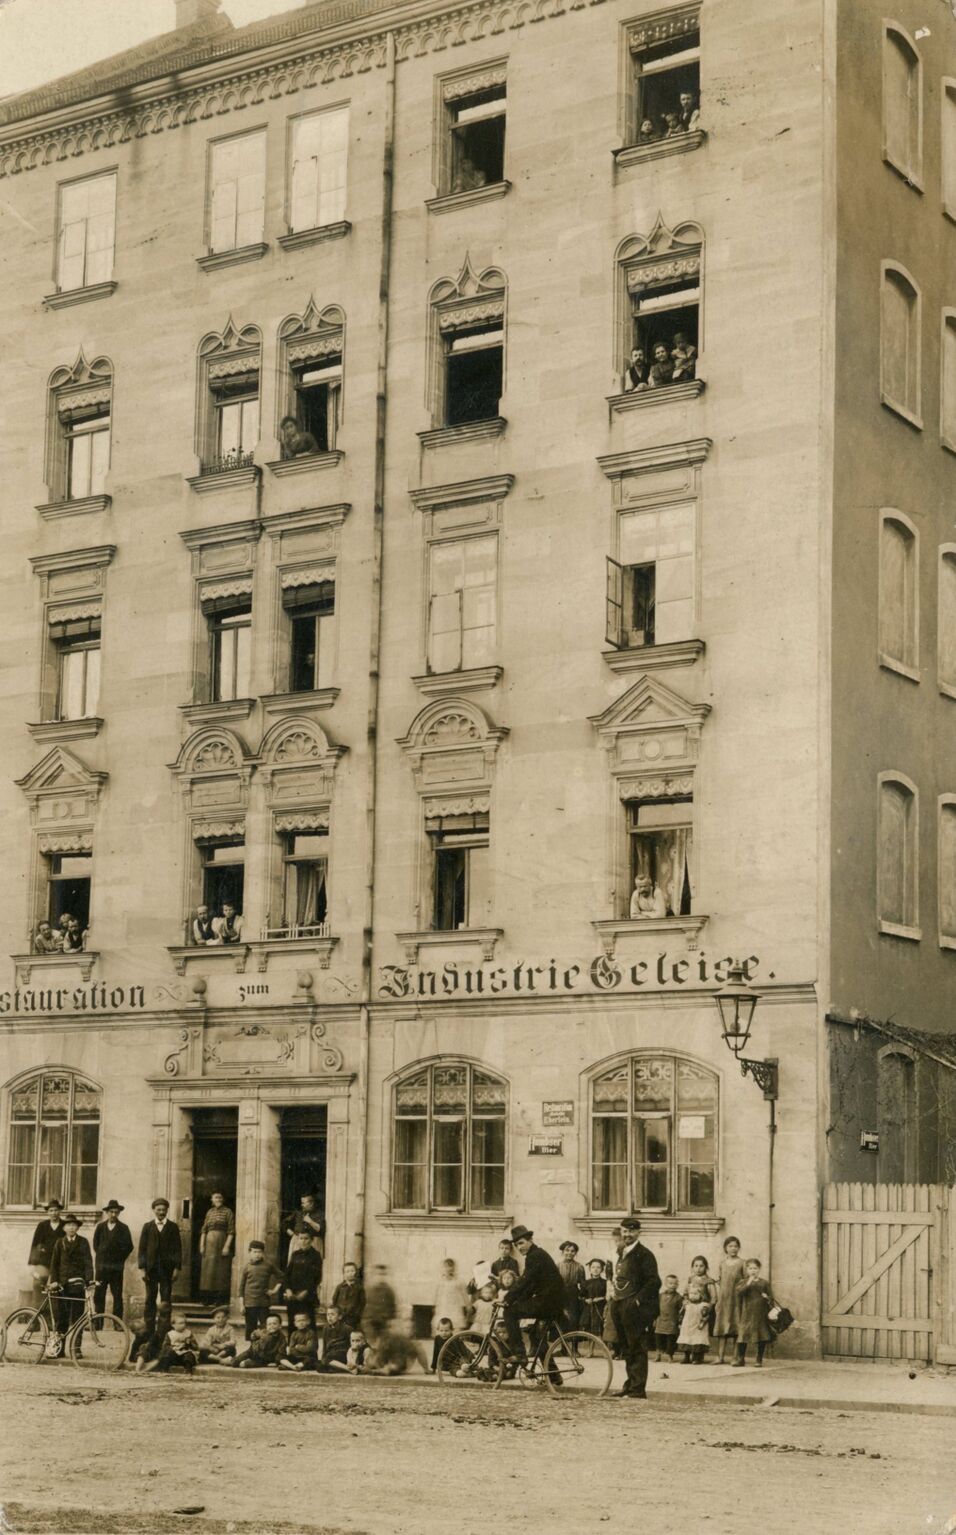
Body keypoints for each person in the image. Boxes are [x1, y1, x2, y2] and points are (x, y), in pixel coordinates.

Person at [499, 1225, 564, 1367]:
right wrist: (516, 1299)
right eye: (516, 1245)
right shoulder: (537, 1254)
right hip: (552, 1301)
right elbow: (531, 1285)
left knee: (509, 1312)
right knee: (537, 1337)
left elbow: (525, 1281)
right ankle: (553, 1375)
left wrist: (507, 1299)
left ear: (530, 1240)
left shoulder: (535, 1256)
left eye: (521, 1243)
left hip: (548, 1301)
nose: (519, 1247)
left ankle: (519, 1354)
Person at [610, 1216, 660, 1400]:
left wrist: (638, 1301)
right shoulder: (622, 1252)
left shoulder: (644, 1254)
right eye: (625, 1231)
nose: (627, 1234)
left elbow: (654, 1282)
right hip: (620, 1303)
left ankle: (638, 1390)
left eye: (631, 1231)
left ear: (638, 1232)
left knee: (636, 1347)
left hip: (634, 1308)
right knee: (626, 1347)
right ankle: (630, 1386)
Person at [138, 1198, 182, 1329]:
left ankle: (164, 1328)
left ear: (167, 1210)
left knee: (166, 1300)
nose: (161, 1212)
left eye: (164, 1210)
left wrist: (176, 1268)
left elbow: (178, 1249)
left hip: (167, 1270)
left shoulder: (173, 1227)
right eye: (159, 1210)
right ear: (154, 1210)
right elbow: (142, 1249)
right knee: (150, 1299)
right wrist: (142, 1269)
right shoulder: (147, 1227)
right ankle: (149, 1328)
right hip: (151, 1269)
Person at [49, 1212, 94, 1337]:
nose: (71, 1228)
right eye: (68, 1225)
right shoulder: (59, 1242)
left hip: (78, 1284)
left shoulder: (83, 1242)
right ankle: (60, 1345)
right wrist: (54, 1281)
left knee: (78, 1317)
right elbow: (54, 1264)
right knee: (62, 1317)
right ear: (64, 1228)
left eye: (74, 1225)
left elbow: (88, 1262)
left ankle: (76, 1345)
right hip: (62, 1285)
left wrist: (89, 1280)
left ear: (77, 1228)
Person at [92, 1199, 133, 1320]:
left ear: (119, 1213)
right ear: (107, 1212)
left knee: (117, 1295)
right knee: (99, 1295)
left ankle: (117, 1323)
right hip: (101, 1268)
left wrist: (118, 1259)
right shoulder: (100, 1227)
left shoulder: (123, 1228)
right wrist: (103, 1257)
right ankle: (98, 1323)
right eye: (111, 1212)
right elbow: (95, 1245)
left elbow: (129, 1246)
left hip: (116, 1269)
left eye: (116, 1212)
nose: (114, 1214)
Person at [733, 1258, 775, 1367]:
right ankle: (741, 1359)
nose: (753, 1271)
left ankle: (759, 1359)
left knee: (761, 1336)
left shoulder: (764, 1283)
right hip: (747, 1313)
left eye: (755, 1268)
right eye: (750, 1268)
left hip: (760, 1313)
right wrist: (749, 1282)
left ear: (759, 1269)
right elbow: (739, 1293)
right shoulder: (743, 1282)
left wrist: (767, 1297)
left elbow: (771, 1298)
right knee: (743, 1335)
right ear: (747, 1270)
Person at [237, 1240, 283, 1338]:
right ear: (250, 1252)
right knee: (250, 1328)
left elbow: (281, 1277)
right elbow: (241, 1287)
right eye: (255, 1252)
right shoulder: (247, 1267)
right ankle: (252, 1346)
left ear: (263, 1253)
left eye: (260, 1252)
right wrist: (241, 1305)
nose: (257, 1254)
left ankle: (265, 1345)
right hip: (249, 1303)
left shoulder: (268, 1265)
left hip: (263, 1303)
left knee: (265, 1327)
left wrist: (274, 1290)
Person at [199, 1191, 235, 1306]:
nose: (218, 1199)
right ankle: (207, 1298)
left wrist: (227, 1246)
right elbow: (204, 1230)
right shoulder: (209, 1212)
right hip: (209, 1244)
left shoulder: (228, 1212)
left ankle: (220, 1299)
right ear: (212, 1200)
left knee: (221, 1271)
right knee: (208, 1271)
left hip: (221, 1243)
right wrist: (202, 1245)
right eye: (215, 1197)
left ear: (223, 1199)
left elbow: (231, 1231)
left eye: (220, 1197)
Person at [28, 1198, 66, 1308]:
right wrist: (33, 1265)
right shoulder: (42, 1226)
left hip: (60, 1263)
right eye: (51, 1210)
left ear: (60, 1211)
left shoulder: (65, 1225)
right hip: (44, 1262)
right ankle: (36, 1316)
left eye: (56, 1210)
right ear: (48, 1212)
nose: (54, 1213)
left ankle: (55, 1317)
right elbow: (35, 1244)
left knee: (58, 1290)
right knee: (38, 1285)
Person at [714, 1234, 746, 1364]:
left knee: (736, 1329)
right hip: (724, 1301)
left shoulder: (742, 1263)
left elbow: (745, 1281)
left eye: (736, 1246)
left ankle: (735, 1357)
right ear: (725, 1248)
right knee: (722, 1329)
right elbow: (720, 1281)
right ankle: (720, 1357)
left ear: (739, 1248)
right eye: (730, 1246)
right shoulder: (722, 1264)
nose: (733, 1248)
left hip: (737, 1301)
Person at [282, 1231, 323, 1328]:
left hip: (308, 1296)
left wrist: (306, 1291)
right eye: (301, 1238)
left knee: (308, 1323)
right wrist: (288, 1289)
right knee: (292, 1323)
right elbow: (287, 1274)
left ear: (311, 1240)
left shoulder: (315, 1255)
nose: (303, 1241)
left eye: (306, 1238)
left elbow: (316, 1277)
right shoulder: (295, 1254)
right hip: (293, 1295)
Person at [362, 1263, 396, 1348]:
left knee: (383, 1347)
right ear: (374, 1275)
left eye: (383, 1274)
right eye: (378, 1274)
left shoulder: (389, 1291)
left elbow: (392, 1310)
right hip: (371, 1325)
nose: (381, 1277)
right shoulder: (369, 1290)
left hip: (384, 1325)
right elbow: (365, 1309)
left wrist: (389, 1324)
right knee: (371, 1347)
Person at [133, 1301, 173, 1372]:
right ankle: (138, 1369)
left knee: (164, 1353)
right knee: (144, 1348)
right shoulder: (156, 1323)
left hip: (164, 1347)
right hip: (156, 1346)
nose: (164, 1318)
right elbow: (155, 1336)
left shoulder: (171, 1324)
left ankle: (146, 1368)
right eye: (162, 1313)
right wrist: (149, 1343)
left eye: (166, 1313)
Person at [676, 1278, 710, 1363]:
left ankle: (697, 1358)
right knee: (686, 1340)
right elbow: (681, 1314)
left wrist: (704, 1314)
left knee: (697, 1340)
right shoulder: (687, 1304)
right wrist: (679, 1322)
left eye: (695, 1294)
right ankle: (686, 1357)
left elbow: (706, 1315)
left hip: (698, 1326)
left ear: (701, 1295)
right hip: (687, 1326)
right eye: (691, 1293)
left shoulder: (703, 1305)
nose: (692, 1295)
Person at [432, 1257, 469, 1333]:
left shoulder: (458, 1281)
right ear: (443, 1268)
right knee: (442, 1326)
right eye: (446, 1267)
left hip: (455, 1307)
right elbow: (436, 1294)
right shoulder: (440, 1281)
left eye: (451, 1266)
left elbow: (464, 1294)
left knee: (456, 1327)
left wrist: (468, 1305)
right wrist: (435, 1305)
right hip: (443, 1306)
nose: (448, 1269)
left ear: (454, 1268)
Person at [285, 1193, 325, 1259]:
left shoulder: (320, 1214)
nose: (302, 1205)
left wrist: (310, 1221)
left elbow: (321, 1229)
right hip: (297, 1241)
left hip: (314, 1242)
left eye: (303, 1203)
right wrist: (288, 1230)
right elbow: (285, 1223)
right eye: (302, 1203)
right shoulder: (298, 1213)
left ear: (311, 1203)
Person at [557, 1242, 585, 1331]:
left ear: (575, 1253)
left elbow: (583, 1284)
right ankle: (562, 1339)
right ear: (562, 1252)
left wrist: (581, 1296)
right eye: (567, 1250)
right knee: (561, 1318)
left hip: (573, 1295)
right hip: (560, 1294)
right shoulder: (558, 1266)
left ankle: (574, 1339)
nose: (569, 1253)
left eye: (572, 1251)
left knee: (573, 1319)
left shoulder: (579, 1267)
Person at [653, 1274, 681, 1362]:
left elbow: (681, 1310)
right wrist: (654, 1319)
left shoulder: (678, 1297)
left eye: (675, 1284)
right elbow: (656, 1308)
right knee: (658, 1338)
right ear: (665, 1284)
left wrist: (679, 1321)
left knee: (670, 1339)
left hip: (672, 1321)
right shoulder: (660, 1296)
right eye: (670, 1283)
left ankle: (670, 1356)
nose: (673, 1285)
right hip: (660, 1320)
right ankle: (658, 1355)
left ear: (677, 1285)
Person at [579, 1258, 608, 1338]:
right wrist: (586, 1300)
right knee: (588, 1329)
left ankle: (602, 1344)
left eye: (598, 1267)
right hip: (588, 1309)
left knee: (601, 1327)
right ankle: (589, 1345)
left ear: (602, 1270)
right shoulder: (586, 1283)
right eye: (593, 1267)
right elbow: (581, 1296)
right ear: (590, 1269)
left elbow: (608, 1296)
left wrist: (600, 1298)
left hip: (601, 1308)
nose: (595, 1269)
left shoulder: (605, 1283)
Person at [331, 1260, 365, 1328]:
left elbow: (362, 1303)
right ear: (344, 1274)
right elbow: (334, 1300)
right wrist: (337, 1314)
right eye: (347, 1271)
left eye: (352, 1271)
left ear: (356, 1272)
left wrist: (357, 1315)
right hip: (340, 1317)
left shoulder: (359, 1288)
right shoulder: (340, 1287)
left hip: (353, 1318)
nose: (350, 1273)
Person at [317, 1304, 351, 1372]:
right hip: (331, 1355)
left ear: (340, 1317)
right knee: (320, 1366)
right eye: (328, 1315)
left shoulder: (347, 1328)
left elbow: (351, 1344)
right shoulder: (326, 1328)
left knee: (327, 1359)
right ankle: (339, 1368)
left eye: (332, 1314)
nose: (330, 1317)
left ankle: (348, 1368)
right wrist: (323, 1357)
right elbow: (325, 1345)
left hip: (343, 1354)